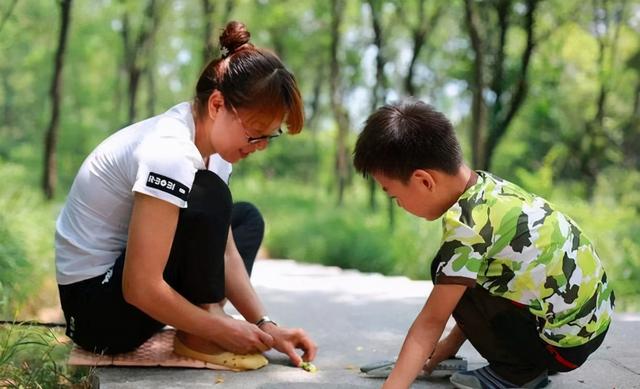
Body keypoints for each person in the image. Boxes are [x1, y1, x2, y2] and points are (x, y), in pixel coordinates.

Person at [55, 21, 317, 370]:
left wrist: (265, 325)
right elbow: (139, 287)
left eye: (270, 137)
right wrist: (219, 327)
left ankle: (202, 322)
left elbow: (225, 252)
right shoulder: (170, 152)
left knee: (244, 217)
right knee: (210, 195)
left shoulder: (215, 155)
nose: (261, 147)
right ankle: (201, 332)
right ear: (217, 104)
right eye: (255, 134)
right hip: (96, 313)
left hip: (124, 295)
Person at [352, 99, 614, 389]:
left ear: (424, 181)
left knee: (445, 267)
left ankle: (519, 374)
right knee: (457, 271)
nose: (399, 204)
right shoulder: (489, 188)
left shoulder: (466, 226)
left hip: (561, 350)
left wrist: (395, 384)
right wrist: (444, 349)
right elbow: (481, 286)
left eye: (394, 196)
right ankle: (519, 361)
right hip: (588, 331)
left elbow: (429, 323)